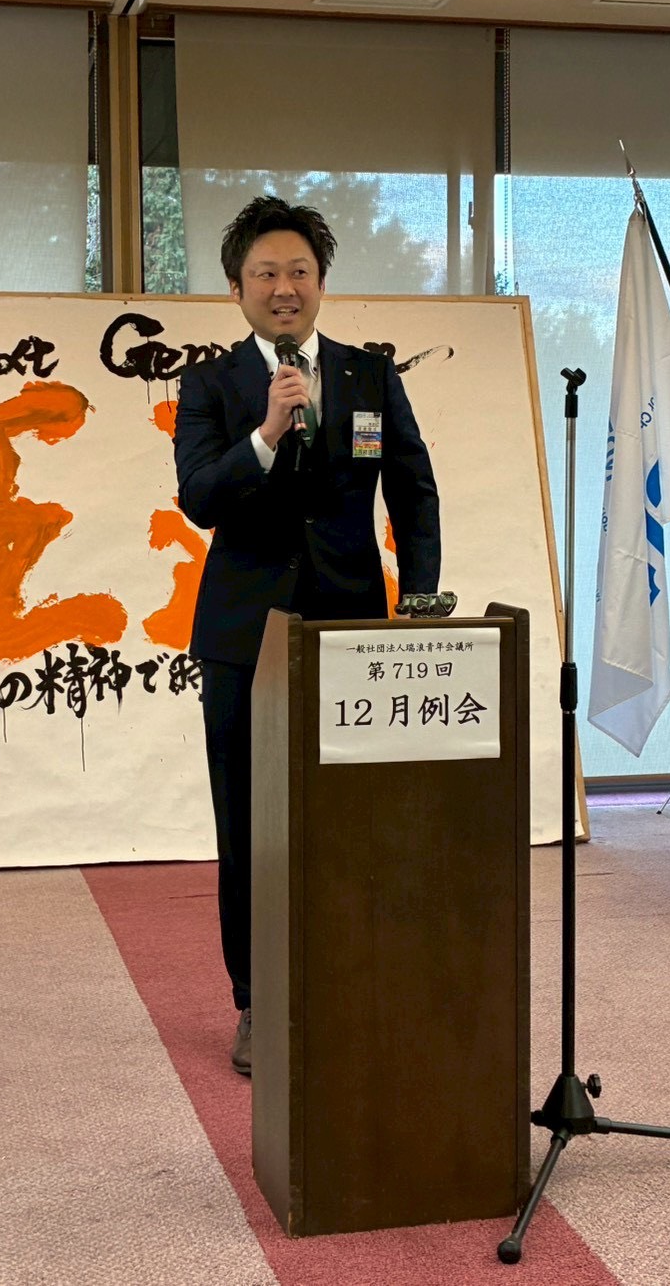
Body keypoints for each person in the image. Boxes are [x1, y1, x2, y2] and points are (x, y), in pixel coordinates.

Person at [173, 195, 441, 1075]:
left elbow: (412, 488)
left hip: (350, 627)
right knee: (249, 823)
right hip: (243, 635)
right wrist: (264, 433)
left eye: (298, 271)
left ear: (321, 282)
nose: (283, 287)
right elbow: (200, 496)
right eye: (265, 274)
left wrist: (420, 597)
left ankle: (349, 976)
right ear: (237, 289)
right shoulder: (212, 385)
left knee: (350, 819)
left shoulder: (370, 375)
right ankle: (258, 1001)